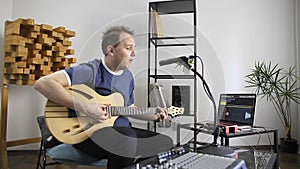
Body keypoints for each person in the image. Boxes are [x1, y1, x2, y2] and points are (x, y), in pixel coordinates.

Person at [34, 25, 173, 168]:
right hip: (90, 134)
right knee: (126, 139)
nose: (134, 53)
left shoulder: (128, 77)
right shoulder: (90, 70)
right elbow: (43, 83)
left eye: (134, 48)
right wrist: (86, 108)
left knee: (164, 142)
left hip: (124, 133)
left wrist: (153, 115)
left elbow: (130, 108)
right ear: (111, 50)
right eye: (128, 48)